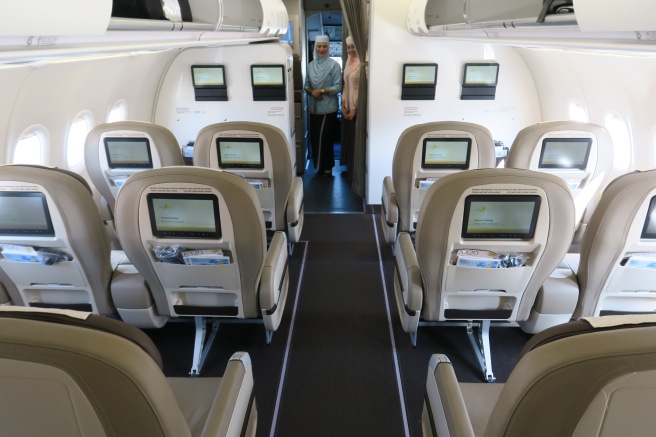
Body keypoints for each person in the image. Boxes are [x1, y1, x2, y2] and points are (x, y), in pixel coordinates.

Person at [304, 35, 342, 177]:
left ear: (328, 48)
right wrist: (312, 92)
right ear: (315, 48)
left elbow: (338, 87)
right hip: (314, 109)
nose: (321, 49)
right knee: (315, 138)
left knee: (325, 138)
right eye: (319, 46)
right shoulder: (310, 66)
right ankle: (319, 166)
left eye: (324, 46)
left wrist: (321, 91)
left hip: (329, 109)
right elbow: (306, 86)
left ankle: (328, 166)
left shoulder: (334, 65)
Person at [341, 35, 360, 182]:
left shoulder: (363, 63)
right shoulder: (349, 62)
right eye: (349, 47)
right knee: (349, 140)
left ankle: (355, 174)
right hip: (348, 108)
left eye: (353, 46)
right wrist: (344, 105)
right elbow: (346, 85)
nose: (351, 50)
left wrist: (355, 108)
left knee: (356, 142)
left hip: (357, 110)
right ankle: (350, 170)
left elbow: (362, 90)